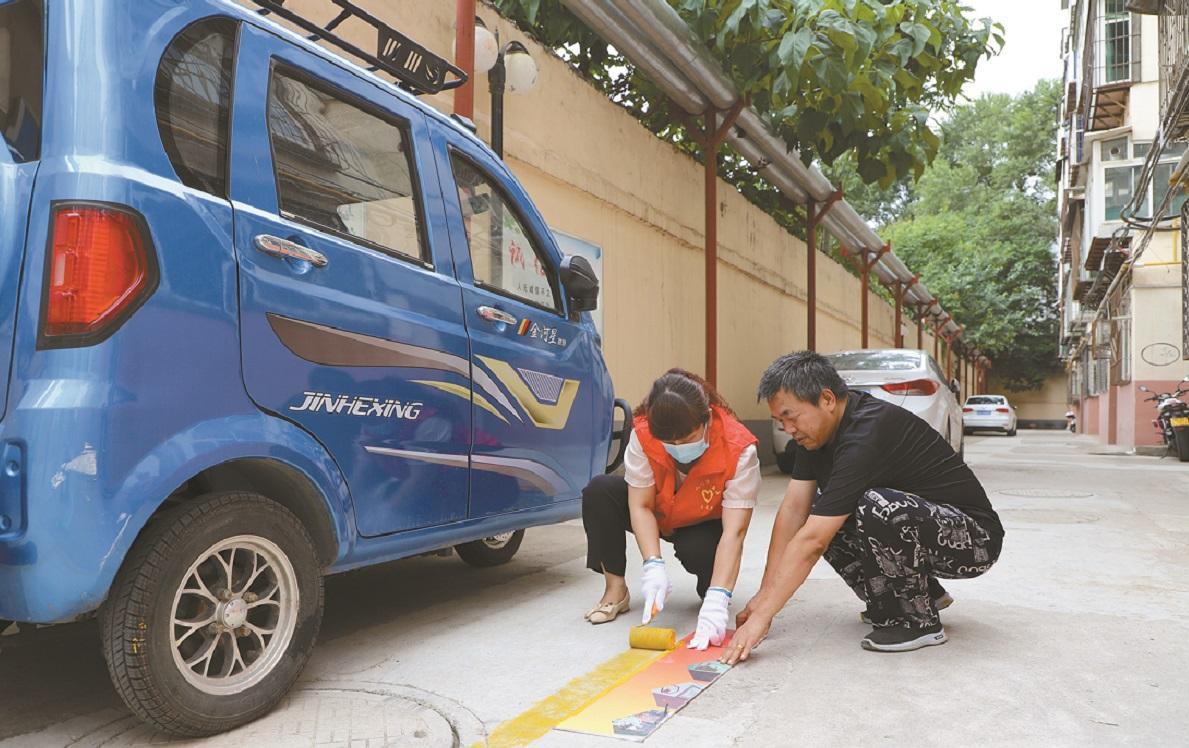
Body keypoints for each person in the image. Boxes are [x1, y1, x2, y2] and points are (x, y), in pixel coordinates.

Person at [723, 351, 1004, 661]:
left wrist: (763, 617)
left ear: (827, 399)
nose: (788, 428)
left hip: (974, 540)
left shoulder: (868, 431)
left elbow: (813, 542)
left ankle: (915, 621)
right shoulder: (814, 436)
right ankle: (922, 596)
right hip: (925, 532)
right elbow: (793, 511)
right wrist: (763, 598)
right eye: (779, 421)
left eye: (791, 416)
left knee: (876, 506)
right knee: (824, 511)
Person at [581, 368, 760, 650]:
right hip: (658, 511)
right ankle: (615, 589)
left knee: (703, 557)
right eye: (669, 442)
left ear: (706, 418)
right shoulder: (644, 434)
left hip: (701, 523)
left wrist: (718, 597)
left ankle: (711, 592)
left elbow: (734, 532)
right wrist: (652, 564)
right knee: (600, 491)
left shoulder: (739, 448)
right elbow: (640, 505)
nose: (677, 447)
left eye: (686, 439)